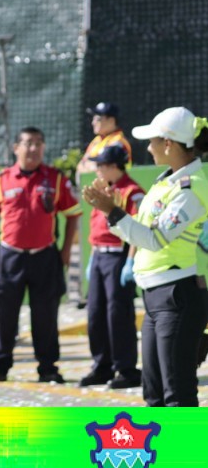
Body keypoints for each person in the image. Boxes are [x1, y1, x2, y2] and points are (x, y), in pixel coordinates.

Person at [84, 106, 208, 407]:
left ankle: (186, 442)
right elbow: (140, 230)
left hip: (177, 296)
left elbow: (154, 239)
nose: (148, 148)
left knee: (177, 395)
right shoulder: (166, 182)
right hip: (157, 297)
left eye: (152, 141)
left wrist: (112, 211)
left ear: (168, 144)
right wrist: (114, 210)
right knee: (153, 394)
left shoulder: (190, 188)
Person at [0, 127, 81, 383]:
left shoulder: (55, 179)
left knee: (45, 316)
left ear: (44, 147)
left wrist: (65, 250)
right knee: (4, 315)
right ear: (16, 148)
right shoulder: (1, 180)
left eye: (38, 143)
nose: (33, 148)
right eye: (27, 143)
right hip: (9, 256)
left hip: (45, 256)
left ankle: (48, 368)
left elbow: (72, 215)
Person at [80, 144, 144, 389]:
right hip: (99, 256)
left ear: (113, 166)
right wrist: (92, 258)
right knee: (95, 313)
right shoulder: (103, 190)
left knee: (118, 315)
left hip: (118, 256)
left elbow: (137, 228)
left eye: (101, 165)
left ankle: (126, 369)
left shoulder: (131, 192)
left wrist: (130, 260)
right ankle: (102, 366)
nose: (97, 169)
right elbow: (96, 228)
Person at [76, 102, 132, 175]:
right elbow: (80, 166)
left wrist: (92, 166)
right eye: (93, 119)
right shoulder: (97, 140)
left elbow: (107, 170)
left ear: (111, 120)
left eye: (98, 119)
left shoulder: (119, 141)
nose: (93, 123)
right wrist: (92, 166)